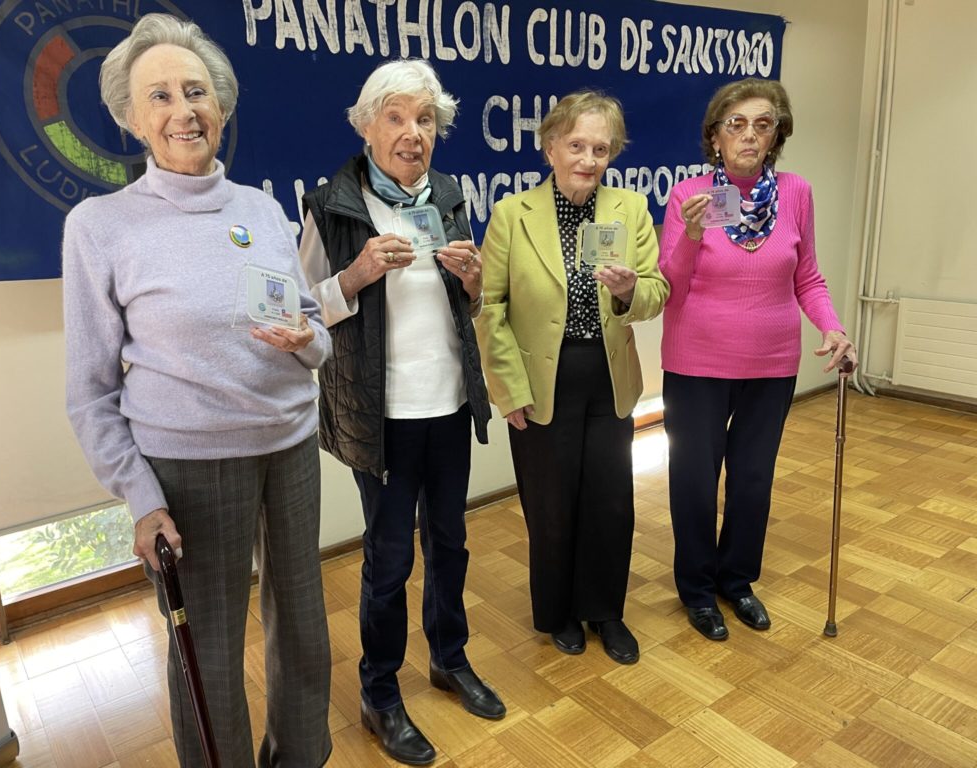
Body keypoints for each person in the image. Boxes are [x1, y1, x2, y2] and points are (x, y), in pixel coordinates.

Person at [63, 14, 332, 767]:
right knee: (208, 652)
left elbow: (316, 332)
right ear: (131, 117)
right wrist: (140, 496)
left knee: (305, 630)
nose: (184, 110)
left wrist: (307, 341)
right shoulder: (100, 227)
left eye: (196, 91)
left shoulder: (261, 208)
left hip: (290, 448)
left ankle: (304, 758)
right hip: (190, 468)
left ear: (221, 105)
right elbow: (88, 390)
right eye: (161, 96)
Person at [300, 59, 503, 766]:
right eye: (396, 117)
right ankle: (380, 694)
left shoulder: (448, 194)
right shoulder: (330, 203)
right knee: (389, 563)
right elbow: (301, 313)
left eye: (425, 120)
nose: (412, 133)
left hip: (446, 405)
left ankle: (449, 658)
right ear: (366, 126)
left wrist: (474, 284)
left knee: (450, 546)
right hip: (379, 418)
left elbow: (466, 306)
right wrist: (355, 275)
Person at [659, 78, 857, 641]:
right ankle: (697, 589)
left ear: (776, 136)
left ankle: (737, 580)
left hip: (772, 364)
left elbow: (808, 277)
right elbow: (670, 285)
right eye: (736, 124)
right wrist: (693, 235)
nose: (749, 135)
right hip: (696, 362)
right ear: (715, 135)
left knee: (752, 480)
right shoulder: (688, 195)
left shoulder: (795, 193)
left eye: (762, 124)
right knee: (694, 481)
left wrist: (833, 326)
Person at [475, 91, 669, 665]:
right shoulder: (514, 214)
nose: (588, 159)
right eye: (576, 145)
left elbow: (657, 292)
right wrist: (508, 390)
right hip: (539, 381)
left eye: (601, 149)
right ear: (551, 147)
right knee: (551, 504)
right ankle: (558, 611)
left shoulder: (629, 209)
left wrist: (630, 290)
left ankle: (605, 610)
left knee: (610, 503)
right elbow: (490, 308)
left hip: (607, 376)